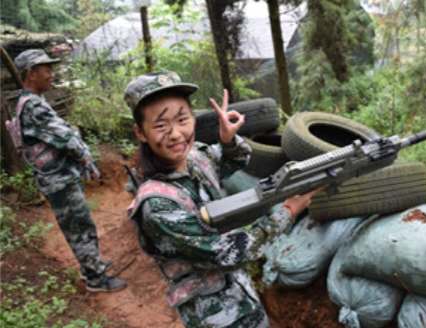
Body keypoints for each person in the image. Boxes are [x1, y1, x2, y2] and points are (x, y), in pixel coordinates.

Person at [125, 71, 318, 327]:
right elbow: (228, 252)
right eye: (160, 125)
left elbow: (234, 160)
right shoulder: (158, 205)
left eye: (182, 119)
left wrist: (228, 141)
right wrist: (287, 212)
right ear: (140, 132)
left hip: (241, 292)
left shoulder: (195, 156)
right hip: (214, 315)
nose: (175, 134)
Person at [8, 49, 126, 292]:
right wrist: (87, 160)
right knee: (79, 225)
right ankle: (95, 279)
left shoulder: (28, 102)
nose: (51, 74)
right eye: (46, 69)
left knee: (77, 224)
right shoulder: (33, 106)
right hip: (59, 179)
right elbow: (65, 138)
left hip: (56, 177)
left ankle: (91, 264)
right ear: (31, 73)